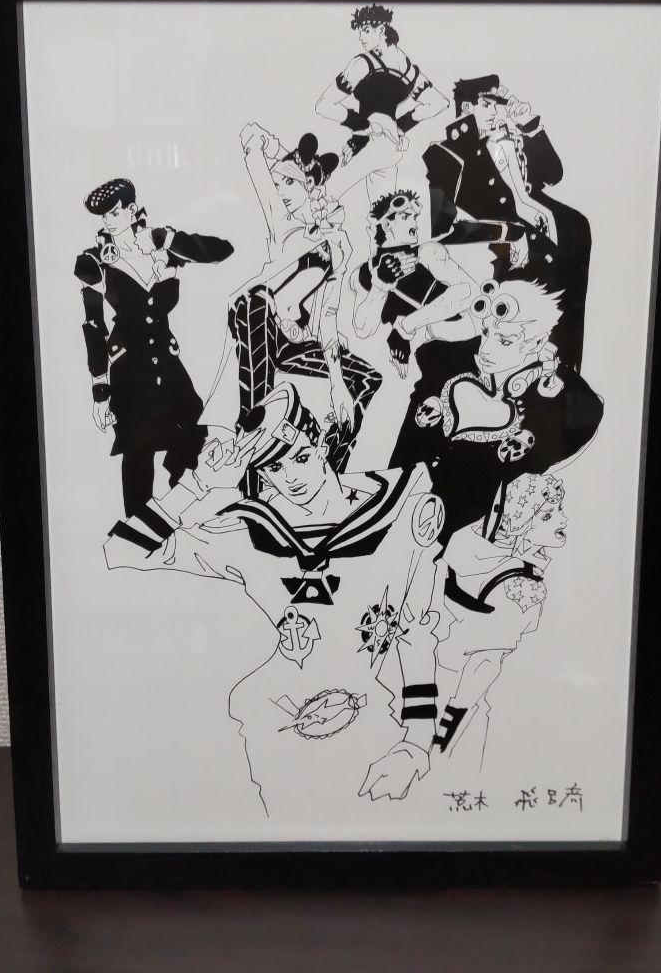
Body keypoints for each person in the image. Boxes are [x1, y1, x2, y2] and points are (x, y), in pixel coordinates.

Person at [104, 383, 446, 815]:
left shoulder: (403, 509)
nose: (291, 478)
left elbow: (416, 633)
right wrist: (198, 485)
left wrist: (416, 742)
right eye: (274, 468)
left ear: (322, 445)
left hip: (368, 712)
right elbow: (120, 552)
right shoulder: (246, 529)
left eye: (300, 458)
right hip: (275, 716)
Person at [226, 125, 381, 493]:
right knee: (258, 414)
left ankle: (327, 470)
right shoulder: (283, 223)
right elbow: (250, 142)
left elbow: (327, 315)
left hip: (291, 337)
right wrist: (270, 145)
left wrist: (337, 383)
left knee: (366, 381)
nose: (280, 191)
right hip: (257, 319)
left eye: (288, 184)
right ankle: (251, 492)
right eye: (277, 184)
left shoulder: (337, 242)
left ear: (310, 185)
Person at [390, 278, 603, 545]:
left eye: (505, 340)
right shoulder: (447, 363)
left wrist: (550, 385)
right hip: (392, 502)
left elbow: (585, 413)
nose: (485, 349)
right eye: (486, 332)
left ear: (538, 342)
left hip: (457, 537)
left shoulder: (559, 397)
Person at [75, 178, 233, 515]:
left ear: (132, 210)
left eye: (114, 213)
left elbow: (222, 251)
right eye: (104, 216)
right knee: (138, 451)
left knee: (189, 439)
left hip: (167, 364)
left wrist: (168, 239)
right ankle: (137, 531)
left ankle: (189, 519)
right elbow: (93, 327)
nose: (108, 222)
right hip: (129, 371)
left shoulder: (163, 246)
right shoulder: (94, 261)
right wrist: (100, 391)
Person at [422, 75, 592, 370]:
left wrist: (530, 126)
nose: (497, 112)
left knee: (569, 309)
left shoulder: (507, 139)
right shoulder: (445, 153)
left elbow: (553, 175)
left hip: (557, 230)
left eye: (498, 104)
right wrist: (508, 233)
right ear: (467, 108)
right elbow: (442, 226)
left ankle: (567, 370)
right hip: (506, 247)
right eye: (487, 104)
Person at [433, 473, 569, 757]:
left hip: (430, 669)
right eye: (546, 516)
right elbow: (488, 659)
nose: (563, 520)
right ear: (519, 525)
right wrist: (451, 723)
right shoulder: (523, 585)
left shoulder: (463, 548)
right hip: (461, 701)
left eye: (559, 510)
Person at [316, 4, 448, 201]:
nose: (361, 37)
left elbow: (323, 106)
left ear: (382, 29)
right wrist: (398, 127)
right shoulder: (409, 70)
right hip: (390, 150)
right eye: (359, 31)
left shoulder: (363, 63)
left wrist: (365, 126)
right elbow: (439, 103)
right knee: (380, 211)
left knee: (323, 198)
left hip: (369, 146)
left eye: (366, 30)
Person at [351, 190, 478, 377]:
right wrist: (379, 286)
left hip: (465, 344)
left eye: (415, 216)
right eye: (406, 217)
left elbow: (470, 292)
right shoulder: (363, 274)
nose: (415, 223)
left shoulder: (427, 252)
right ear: (386, 224)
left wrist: (405, 329)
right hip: (420, 363)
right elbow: (363, 329)